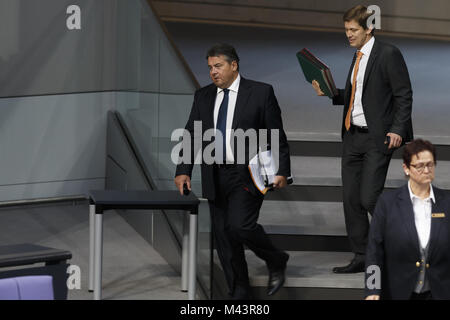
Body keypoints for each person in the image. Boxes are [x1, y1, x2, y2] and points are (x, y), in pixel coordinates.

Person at [174, 43, 291, 299]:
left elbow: (275, 135)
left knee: (240, 226)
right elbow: (192, 134)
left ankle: (276, 258)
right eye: (209, 68)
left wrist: (282, 170)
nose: (213, 72)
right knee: (224, 238)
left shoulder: (260, 93)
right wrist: (183, 169)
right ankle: (239, 289)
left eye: (218, 66)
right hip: (214, 175)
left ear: (234, 65)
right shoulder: (203, 96)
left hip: (246, 174)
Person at [312, 5, 413, 273]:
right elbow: (359, 95)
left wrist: (398, 129)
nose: (348, 35)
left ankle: (404, 239)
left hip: (378, 137)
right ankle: (362, 255)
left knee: (369, 198)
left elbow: (403, 94)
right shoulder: (358, 56)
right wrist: (331, 93)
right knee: (351, 199)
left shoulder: (388, 54)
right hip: (353, 136)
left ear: (369, 28)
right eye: (346, 30)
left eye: (353, 30)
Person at [365, 139, 450, 300]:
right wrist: (372, 289)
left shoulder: (447, 203)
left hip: (439, 292)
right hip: (398, 292)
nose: (426, 170)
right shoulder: (387, 203)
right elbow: (374, 251)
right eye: (419, 166)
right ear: (406, 168)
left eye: (430, 165)